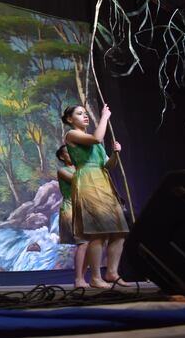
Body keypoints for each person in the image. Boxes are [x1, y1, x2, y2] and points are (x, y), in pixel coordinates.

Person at [63, 104, 129, 289]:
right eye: (79, 113)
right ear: (70, 119)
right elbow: (96, 137)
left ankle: (112, 272)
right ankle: (95, 277)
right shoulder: (72, 135)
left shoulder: (95, 143)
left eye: (85, 113)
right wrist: (105, 117)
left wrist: (116, 154)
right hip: (88, 183)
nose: (85, 116)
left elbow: (108, 165)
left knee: (119, 232)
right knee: (97, 233)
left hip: (103, 183)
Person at [55, 145, 88, 288]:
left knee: (90, 243)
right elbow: (78, 181)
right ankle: (78, 278)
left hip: (84, 207)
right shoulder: (63, 170)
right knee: (83, 242)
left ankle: (82, 277)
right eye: (69, 152)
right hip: (71, 208)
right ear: (62, 156)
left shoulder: (81, 168)